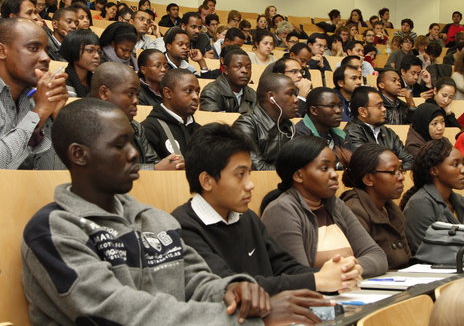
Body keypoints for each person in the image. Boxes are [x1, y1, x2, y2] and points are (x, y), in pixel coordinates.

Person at [21, 97, 299, 326]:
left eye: (132, 142)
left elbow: (197, 281)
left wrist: (233, 290)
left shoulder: (153, 218)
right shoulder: (54, 230)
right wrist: (253, 320)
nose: (134, 154)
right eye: (119, 145)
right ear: (79, 155)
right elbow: (115, 314)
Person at [172, 123, 364, 297]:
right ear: (207, 181)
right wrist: (318, 280)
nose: (250, 185)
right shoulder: (182, 227)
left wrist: (337, 274)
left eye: (249, 173)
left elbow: (285, 266)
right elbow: (231, 287)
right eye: (240, 175)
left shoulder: (246, 218)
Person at [260, 136, 388, 277]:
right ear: (298, 175)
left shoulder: (336, 205)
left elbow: (377, 256)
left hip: (350, 289)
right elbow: (298, 275)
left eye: (334, 167)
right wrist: (342, 273)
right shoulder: (281, 211)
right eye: (324, 168)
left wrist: (350, 270)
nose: (334, 174)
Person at [0, 18, 68, 169]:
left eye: (47, 50)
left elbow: (48, 173)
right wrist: (39, 112)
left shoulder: (35, 97)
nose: (46, 58)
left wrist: (56, 119)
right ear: (1, 51)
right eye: (33, 48)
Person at [90, 63, 183, 170]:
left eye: (137, 95)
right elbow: (100, 170)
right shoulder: (80, 124)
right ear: (104, 93)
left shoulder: (135, 127)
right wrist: (155, 168)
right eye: (130, 93)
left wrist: (171, 163)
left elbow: (153, 161)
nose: (136, 101)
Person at [341, 144, 411, 269]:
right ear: (368, 179)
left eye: (400, 170)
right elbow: (358, 264)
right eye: (393, 172)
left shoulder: (391, 208)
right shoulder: (354, 210)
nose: (401, 177)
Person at [401, 138, 464, 254]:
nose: (463, 169)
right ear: (434, 170)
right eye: (455, 164)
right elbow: (426, 252)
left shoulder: (459, 201)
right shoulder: (419, 204)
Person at [233, 73, 297, 170]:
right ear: (271, 97)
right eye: (290, 94)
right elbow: (257, 168)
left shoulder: (289, 126)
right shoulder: (246, 125)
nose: (296, 99)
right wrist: (291, 172)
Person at [344, 86, 414, 169]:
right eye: (379, 106)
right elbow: (366, 165)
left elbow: (410, 161)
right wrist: (394, 165)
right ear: (363, 111)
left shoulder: (388, 132)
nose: (384, 109)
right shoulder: (351, 133)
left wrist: (394, 168)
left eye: (383, 105)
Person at [142, 69, 201, 159]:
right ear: (168, 93)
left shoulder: (201, 131)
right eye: (189, 91)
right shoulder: (148, 129)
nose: (196, 97)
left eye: (197, 92)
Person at [295, 87, 352, 154]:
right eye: (331, 106)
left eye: (340, 106)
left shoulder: (343, 137)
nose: (338, 111)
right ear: (314, 110)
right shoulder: (298, 136)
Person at [200, 49, 256, 113]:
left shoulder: (252, 94)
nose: (245, 71)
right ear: (225, 70)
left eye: (248, 67)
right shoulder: (211, 92)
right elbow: (212, 120)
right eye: (238, 66)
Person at [59, 29, 100, 97]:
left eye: (99, 51)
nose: (97, 56)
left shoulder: (96, 81)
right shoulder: (64, 84)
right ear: (73, 50)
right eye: (90, 50)